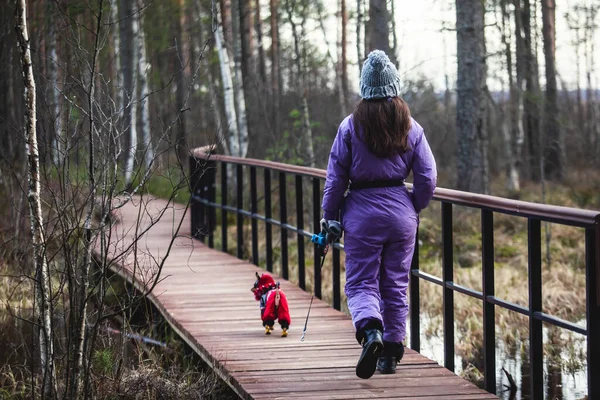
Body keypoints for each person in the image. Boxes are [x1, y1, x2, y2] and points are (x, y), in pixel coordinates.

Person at [320, 50, 437, 379]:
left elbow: (336, 178)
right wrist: (414, 205)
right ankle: (390, 354)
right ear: (395, 86)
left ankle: (370, 332)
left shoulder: (349, 126)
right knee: (396, 285)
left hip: (361, 214)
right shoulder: (412, 127)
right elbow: (427, 177)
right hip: (401, 214)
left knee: (361, 283)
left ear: (364, 89)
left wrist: (329, 216)